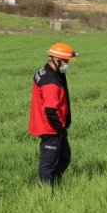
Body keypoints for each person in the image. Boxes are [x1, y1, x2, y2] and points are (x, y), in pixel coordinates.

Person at [28, 42, 78, 186]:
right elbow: (51, 110)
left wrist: (70, 54)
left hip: (55, 126)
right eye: (66, 61)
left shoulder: (47, 71)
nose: (67, 65)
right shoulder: (51, 83)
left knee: (64, 157)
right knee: (48, 163)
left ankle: (54, 183)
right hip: (51, 128)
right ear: (56, 60)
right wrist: (60, 130)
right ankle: (45, 191)